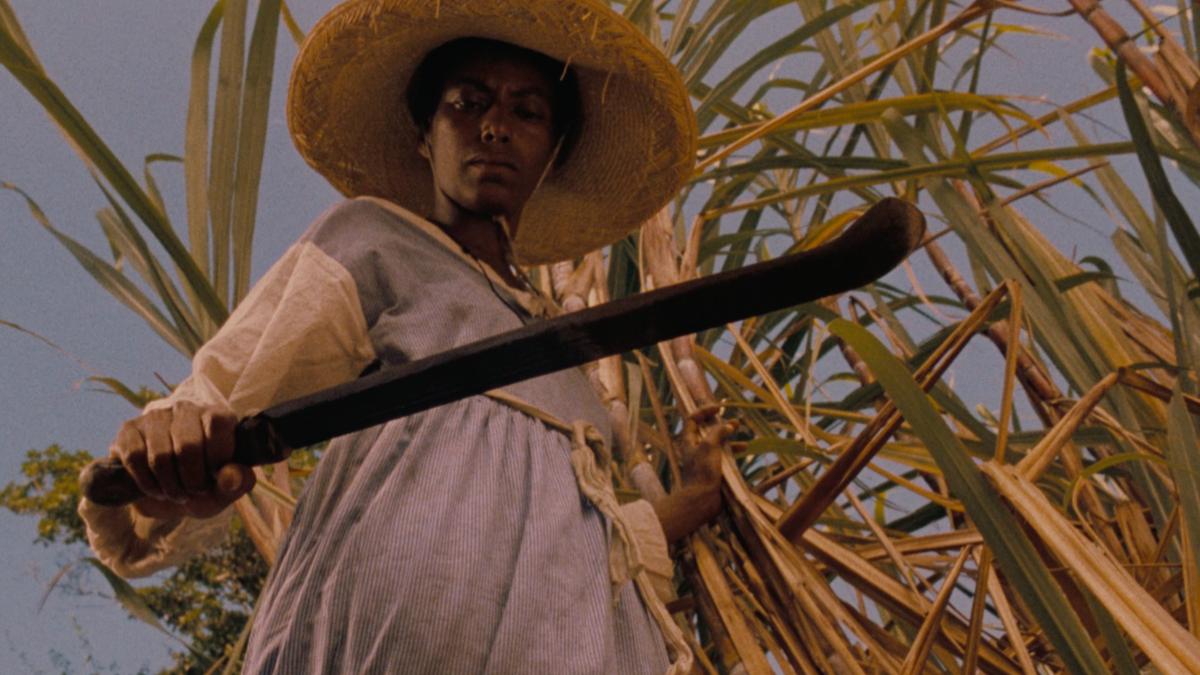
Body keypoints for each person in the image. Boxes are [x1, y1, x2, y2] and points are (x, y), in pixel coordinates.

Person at [79, 1, 725, 672]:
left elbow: (593, 542)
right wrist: (165, 456)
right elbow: (225, 391)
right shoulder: (375, 241)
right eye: (467, 103)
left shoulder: (566, 353)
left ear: (552, 150)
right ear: (425, 133)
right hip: (397, 630)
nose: (497, 126)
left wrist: (693, 499)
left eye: (528, 113)